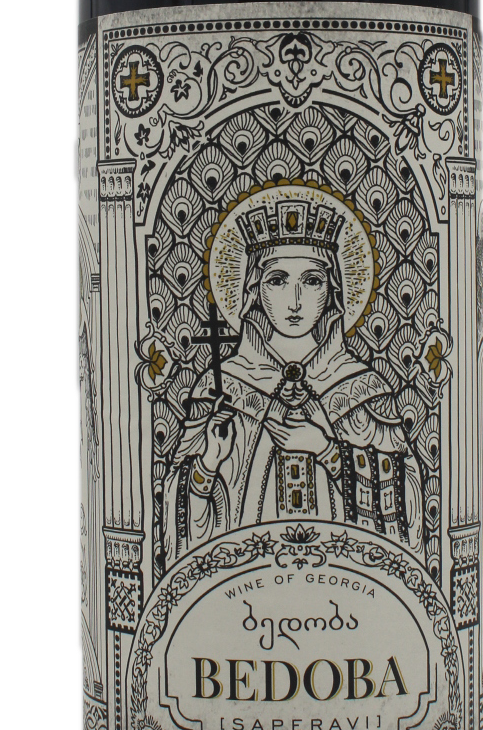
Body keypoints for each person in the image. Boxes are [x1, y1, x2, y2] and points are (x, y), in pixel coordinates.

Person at [168, 184, 425, 560]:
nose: (295, 301)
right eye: (278, 280)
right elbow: (178, 518)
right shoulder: (222, 388)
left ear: (332, 290)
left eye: (311, 280)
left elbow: (410, 500)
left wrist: (327, 451)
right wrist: (209, 463)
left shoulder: (363, 388)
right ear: (255, 289)